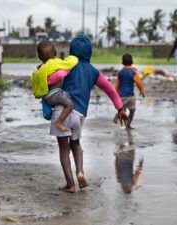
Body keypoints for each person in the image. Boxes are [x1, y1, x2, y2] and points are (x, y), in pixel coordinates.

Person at [51, 35, 129, 193]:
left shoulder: (67, 65)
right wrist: (120, 108)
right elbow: (110, 90)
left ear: (71, 51)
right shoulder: (94, 72)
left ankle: (70, 185)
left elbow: (54, 79)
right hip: (79, 115)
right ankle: (80, 171)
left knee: (64, 149)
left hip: (62, 111)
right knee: (76, 144)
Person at [31, 41, 78, 131]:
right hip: (56, 94)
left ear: (39, 56)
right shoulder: (54, 63)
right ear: (55, 53)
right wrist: (73, 58)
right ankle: (59, 122)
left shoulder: (38, 69)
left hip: (47, 98)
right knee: (70, 105)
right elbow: (68, 64)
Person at [113, 53, 145, 129]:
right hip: (130, 96)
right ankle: (128, 125)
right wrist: (142, 91)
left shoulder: (120, 72)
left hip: (121, 96)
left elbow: (117, 85)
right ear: (132, 61)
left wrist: (115, 94)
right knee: (132, 110)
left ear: (122, 62)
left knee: (122, 110)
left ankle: (119, 114)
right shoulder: (133, 72)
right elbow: (138, 83)